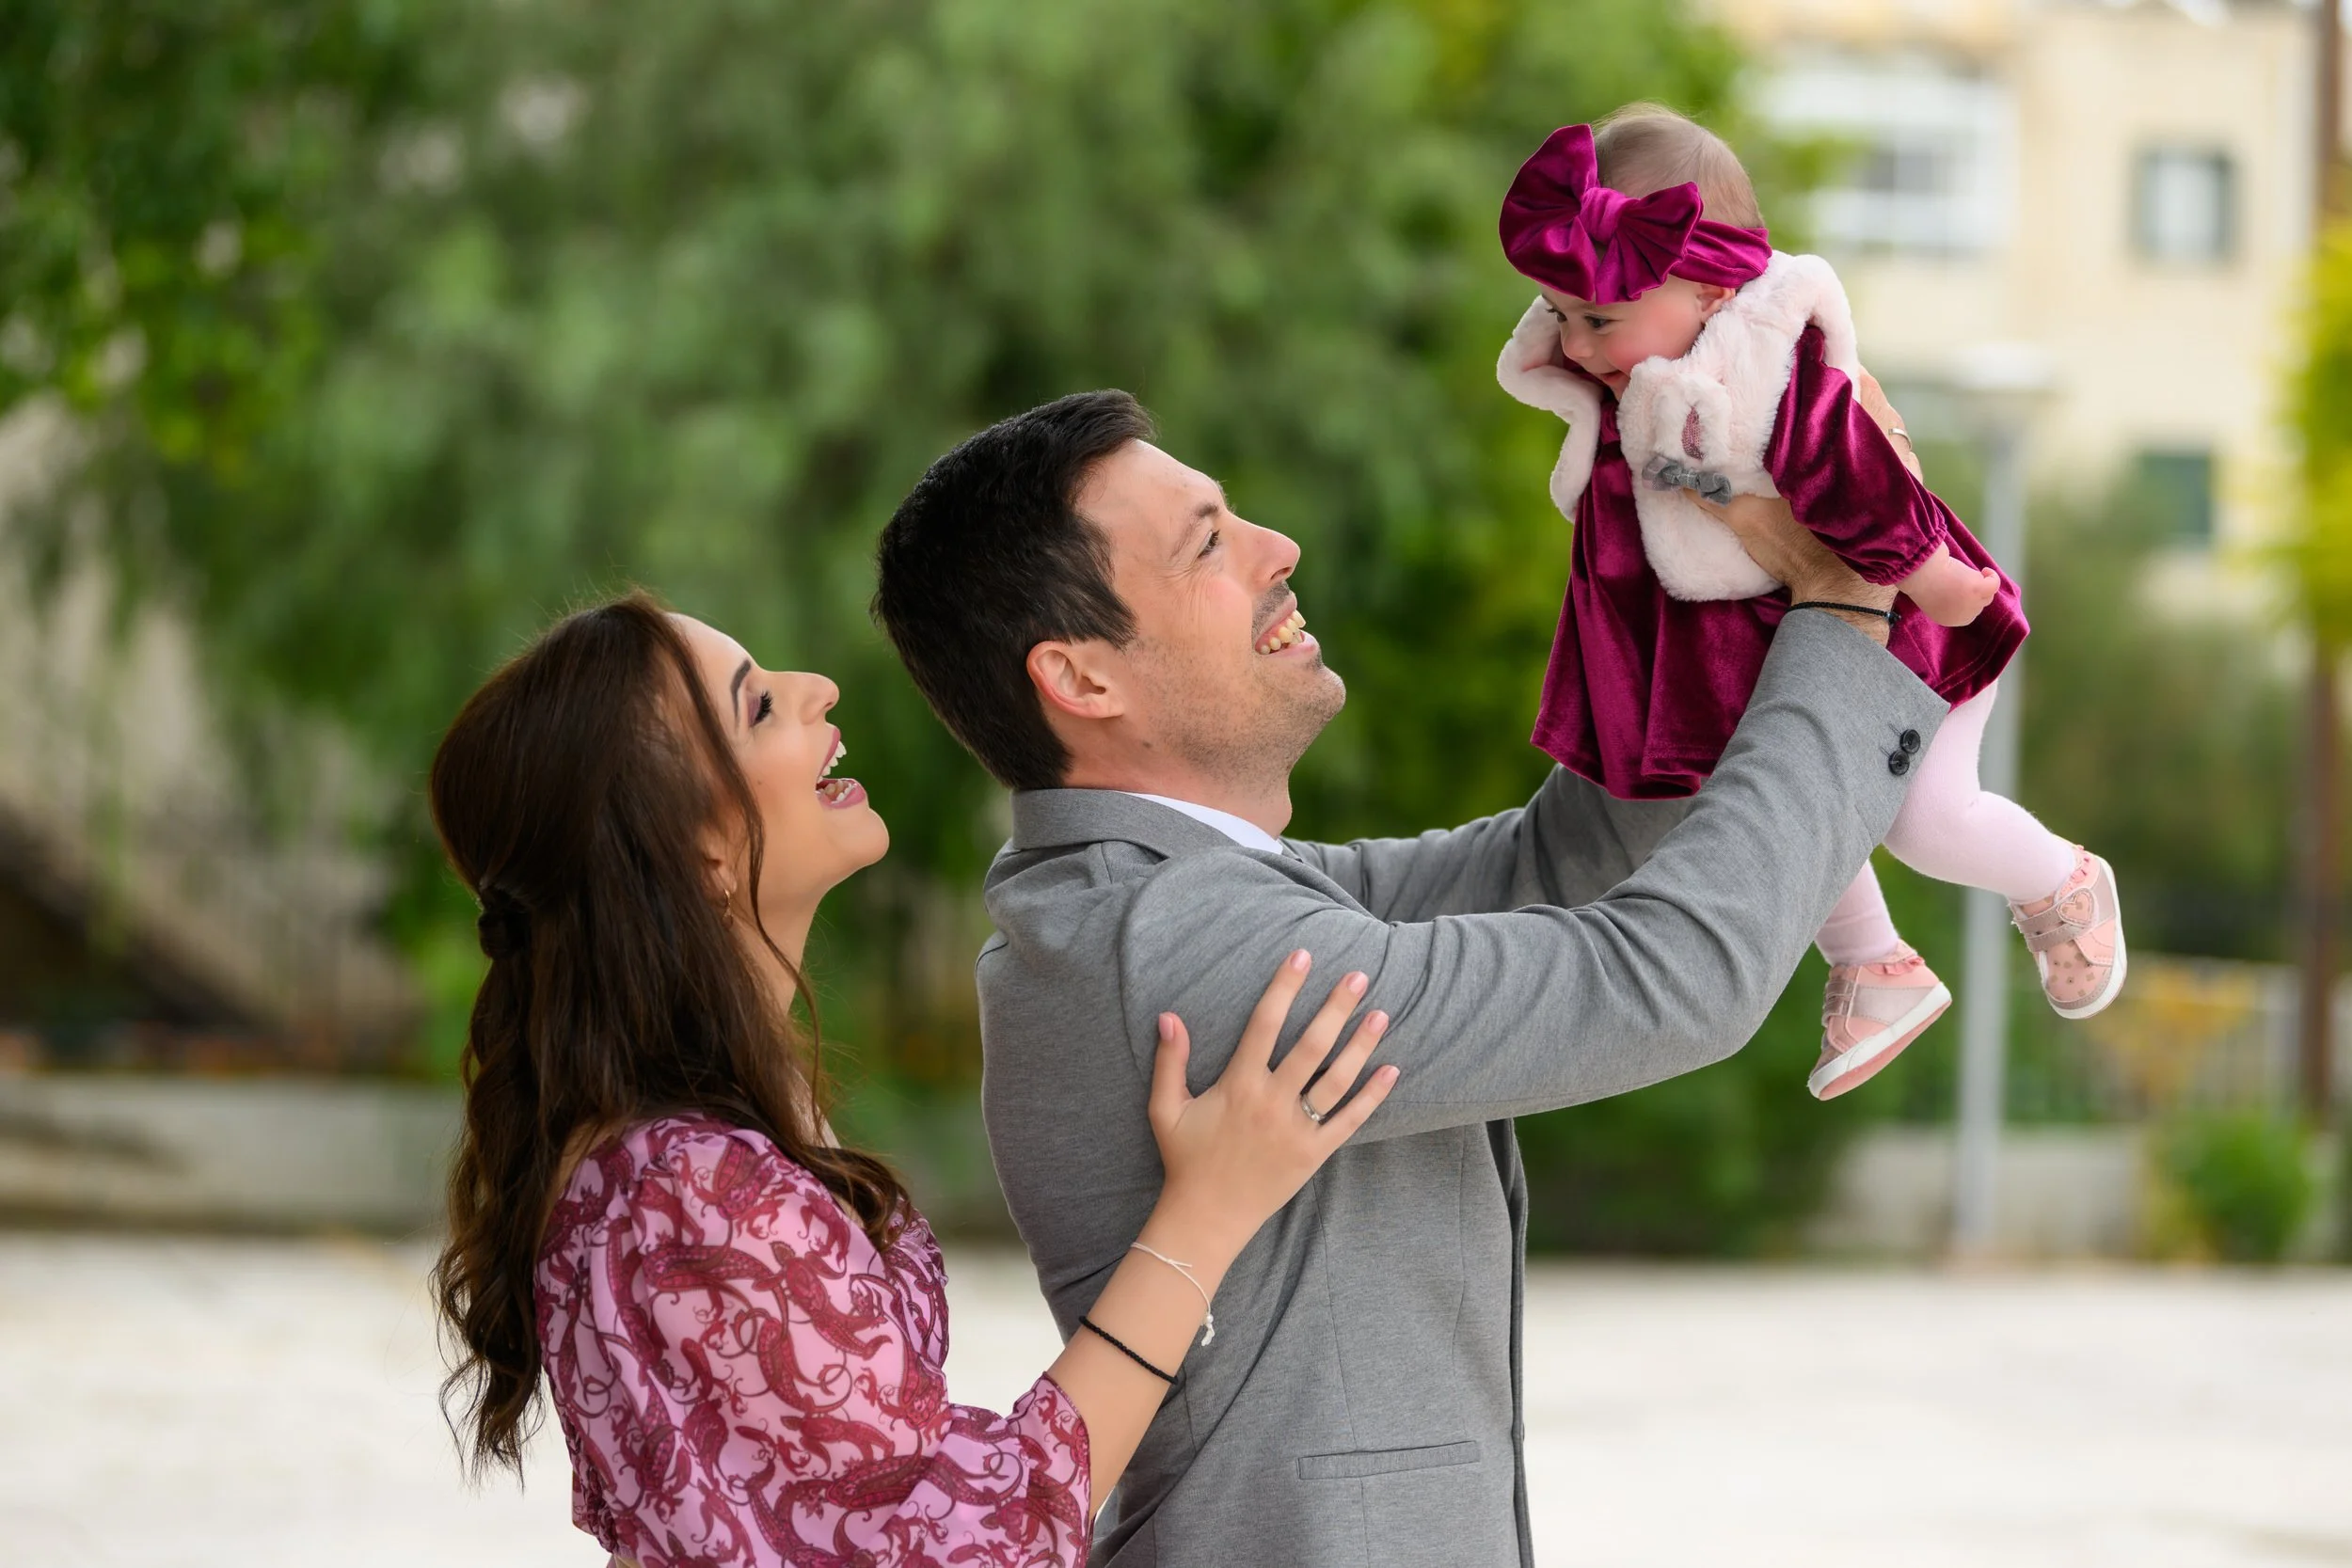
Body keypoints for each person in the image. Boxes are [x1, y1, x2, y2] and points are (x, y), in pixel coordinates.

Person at [871, 388, 1942, 1567]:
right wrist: (1845, 611)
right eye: (1207, 544)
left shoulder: (1178, 895)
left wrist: (1710, 556)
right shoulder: (1166, 938)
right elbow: (1669, 977)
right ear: (1081, 679)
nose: (1279, 548)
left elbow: (1552, 867)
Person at [425, 592, 1402, 1568]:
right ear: (700, 851)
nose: (817, 687)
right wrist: (1206, 1212)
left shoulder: (688, 1139)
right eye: (758, 707)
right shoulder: (689, 1188)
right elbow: (970, 1538)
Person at [1495, 108, 2125, 1101]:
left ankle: (2060, 879)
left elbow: (1856, 471)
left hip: (1910, 639)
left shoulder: (1765, 360)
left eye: (1598, 319)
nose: (1574, 343)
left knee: (1926, 821)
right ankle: (1876, 964)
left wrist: (1933, 577)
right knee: (1773, 801)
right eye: (1560, 314)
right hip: (1772, 655)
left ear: (1709, 287)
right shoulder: (1638, 369)